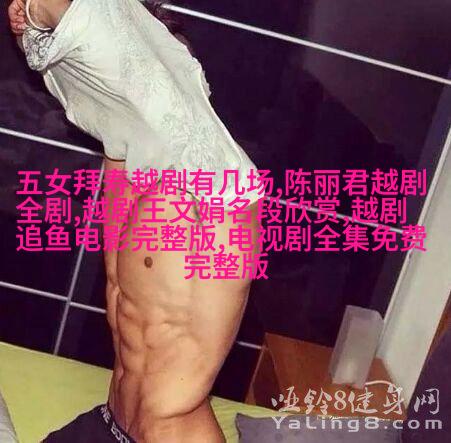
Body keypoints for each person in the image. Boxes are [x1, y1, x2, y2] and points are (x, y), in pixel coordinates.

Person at [9, 0, 264, 442]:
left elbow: (125, 54)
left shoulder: (222, 188)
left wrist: (38, 9)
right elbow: (75, 78)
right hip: (111, 421)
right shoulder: (124, 163)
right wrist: (28, 29)